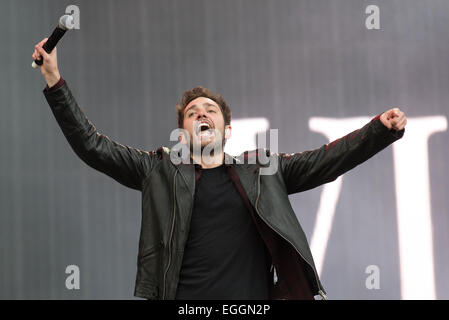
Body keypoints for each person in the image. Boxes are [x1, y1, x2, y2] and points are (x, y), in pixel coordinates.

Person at [32, 38, 407, 300]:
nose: (201, 114)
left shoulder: (262, 169)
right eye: (193, 113)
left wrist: (378, 131)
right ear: (182, 133)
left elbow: (327, 160)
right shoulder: (159, 170)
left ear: (227, 130)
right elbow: (91, 145)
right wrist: (53, 78)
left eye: (210, 110)